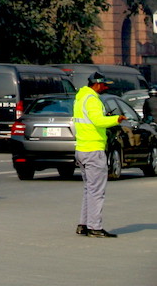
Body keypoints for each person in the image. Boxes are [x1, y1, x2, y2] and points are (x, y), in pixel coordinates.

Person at [73, 71, 124, 238]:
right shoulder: (92, 99)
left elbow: (89, 120)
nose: (105, 88)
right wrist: (116, 119)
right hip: (94, 149)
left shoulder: (80, 98)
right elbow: (98, 120)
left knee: (89, 189)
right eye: (104, 85)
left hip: (82, 148)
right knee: (96, 191)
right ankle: (95, 227)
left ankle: (84, 224)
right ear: (97, 84)